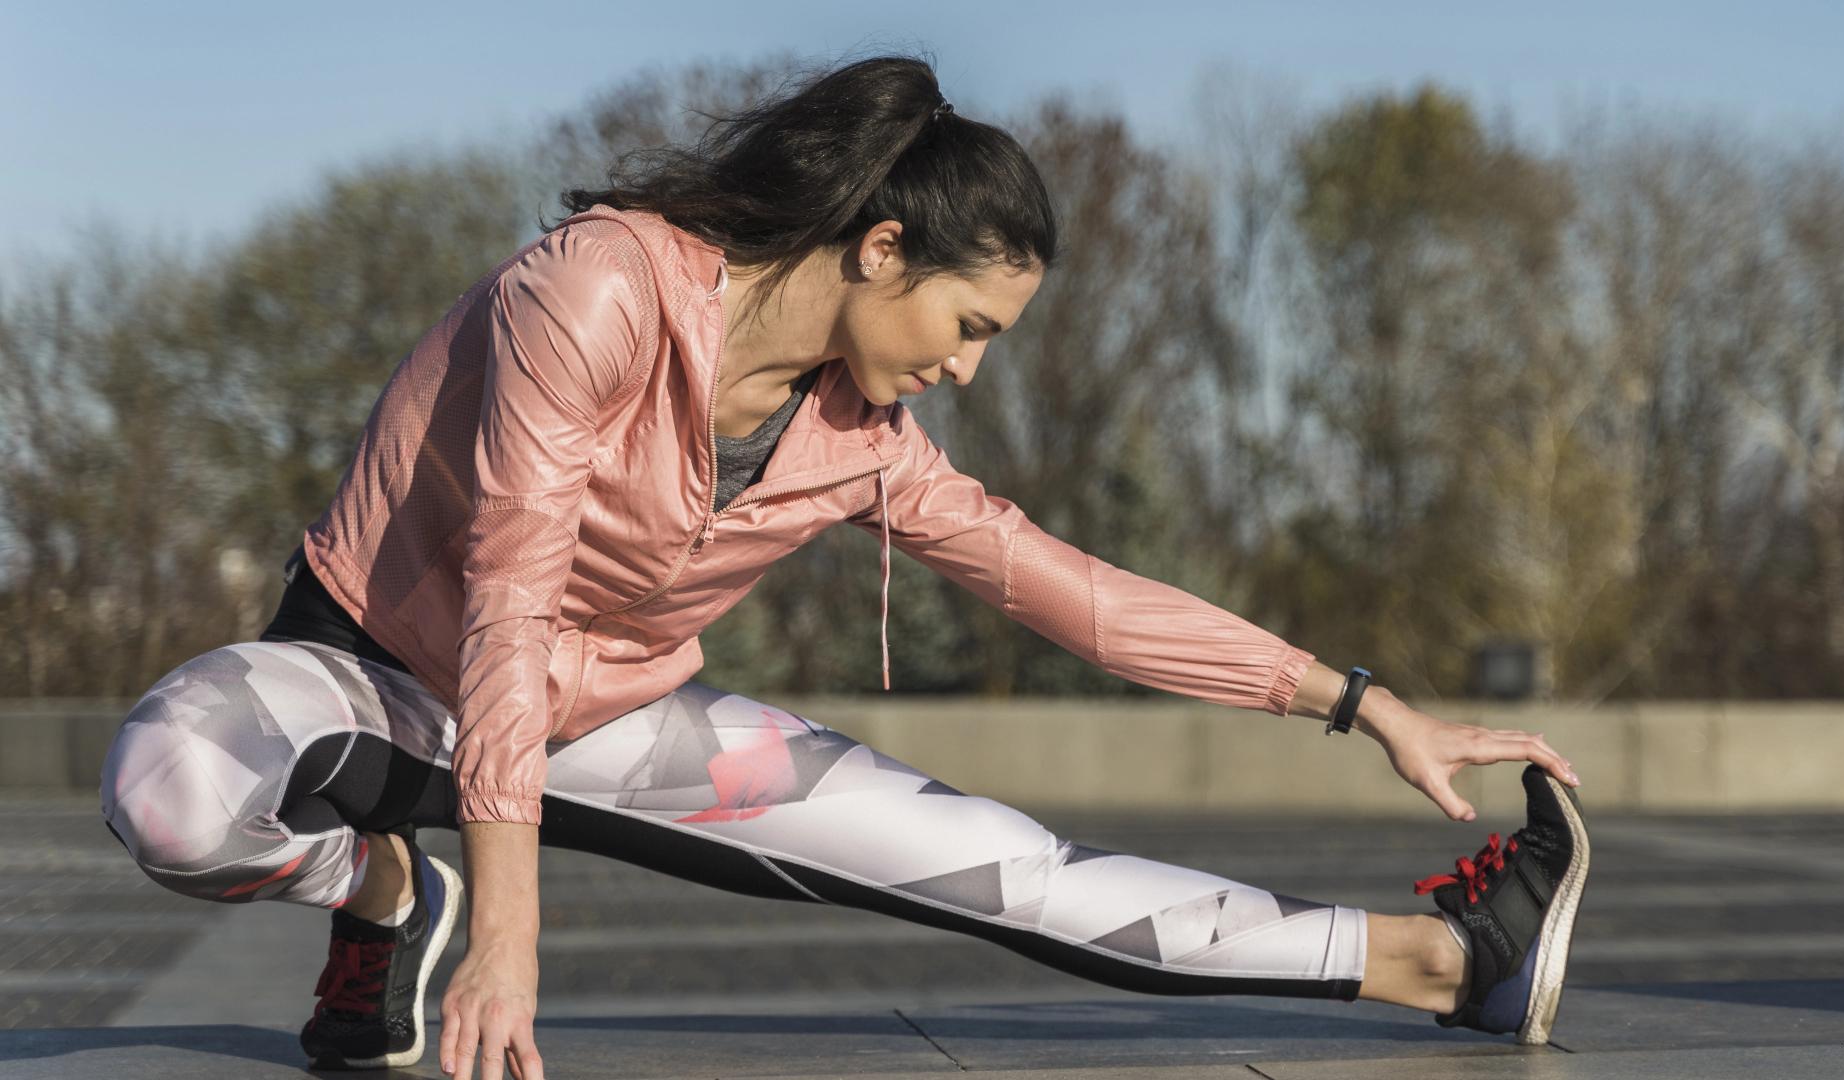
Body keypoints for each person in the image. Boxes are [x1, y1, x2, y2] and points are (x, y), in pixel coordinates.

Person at [95, 54, 1589, 1080]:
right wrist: (509, 938)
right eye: (970, 328)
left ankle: (1462, 965)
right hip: (375, 671)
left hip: (608, 720)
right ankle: (383, 901)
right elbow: (506, 593)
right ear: (881, 248)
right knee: (172, 780)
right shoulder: (600, 288)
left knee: (1028, 880)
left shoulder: (862, 440)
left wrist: (1356, 699)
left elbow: (1074, 594)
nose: (966, 369)